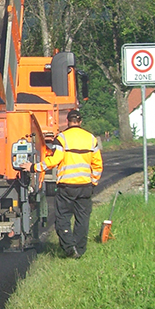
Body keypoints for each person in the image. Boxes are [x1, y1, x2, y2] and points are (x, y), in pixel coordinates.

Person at [42, 108, 103, 258]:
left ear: (67, 121)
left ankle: (69, 247)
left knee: (62, 218)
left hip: (66, 186)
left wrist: (34, 167)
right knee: (82, 219)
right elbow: (97, 165)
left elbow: (55, 160)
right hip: (85, 186)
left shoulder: (62, 138)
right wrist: (93, 183)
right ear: (80, 121)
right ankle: (79, 250)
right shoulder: (91, 138)